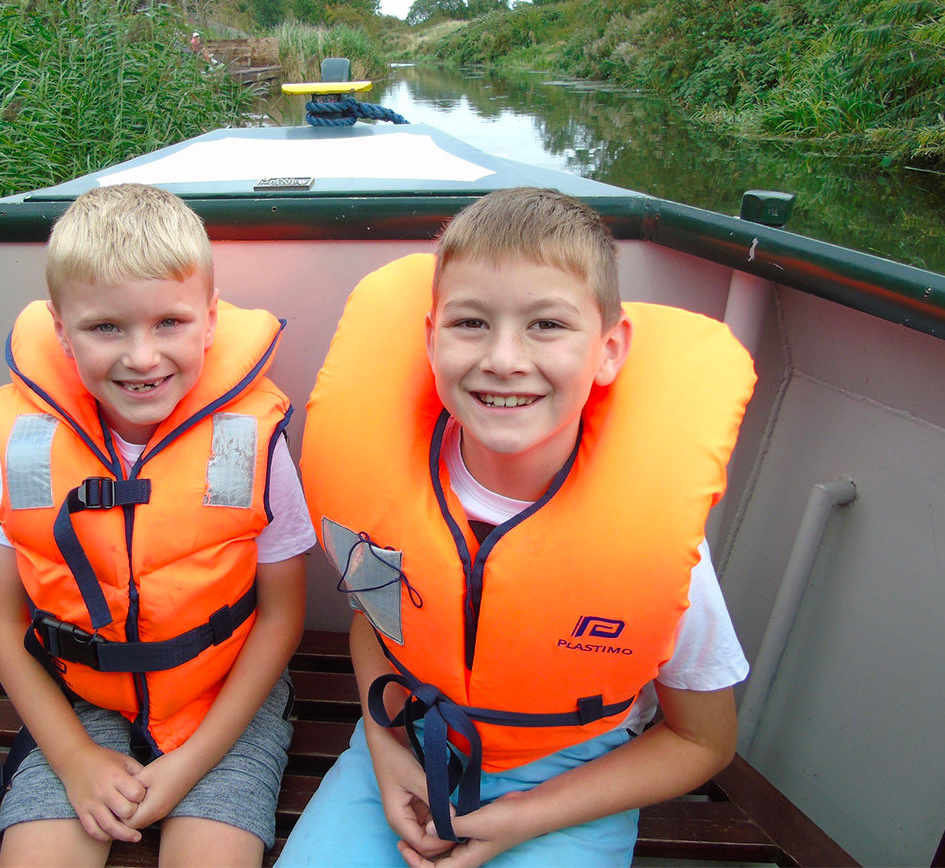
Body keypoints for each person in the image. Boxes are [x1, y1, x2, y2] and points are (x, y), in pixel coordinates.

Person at [280, 188, 756, 867]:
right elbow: (375, 624)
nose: (504, 358)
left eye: (547, 326)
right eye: (471, 323)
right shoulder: (386, 492)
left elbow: (702, 742)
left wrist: (519, 820)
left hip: (567, 787)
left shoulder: (659, 547)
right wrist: (386, 758)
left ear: (610, 350)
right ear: (430, 338)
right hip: (402, 748)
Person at [0, 183, 314, 867]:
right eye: (107, 328)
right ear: (62, 332)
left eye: (169, 323)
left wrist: (189, 766)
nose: (141, 357)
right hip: (78, 701)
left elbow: (281, 617)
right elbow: (0, 623)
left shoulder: (249, 441)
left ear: (211, 321)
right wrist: (73, 759)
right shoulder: (31, 444)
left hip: (222, 704)